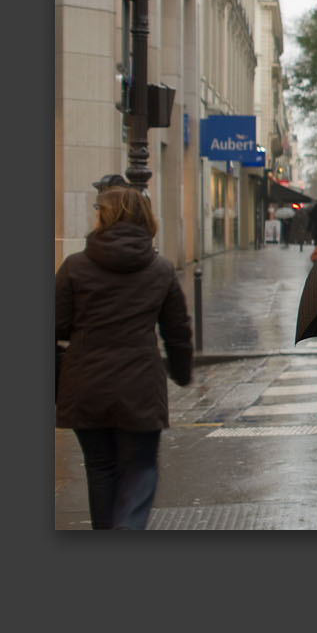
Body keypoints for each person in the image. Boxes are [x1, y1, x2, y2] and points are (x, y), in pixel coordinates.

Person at [55, 183, 193, 530]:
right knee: (140, 469)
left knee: (100, 469)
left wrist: (61, 379)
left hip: (86, 385)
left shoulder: (74, 267)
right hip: (140, 386)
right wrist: (181, 372)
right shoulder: (160, 269)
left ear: (105, 216)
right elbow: (177, 331)